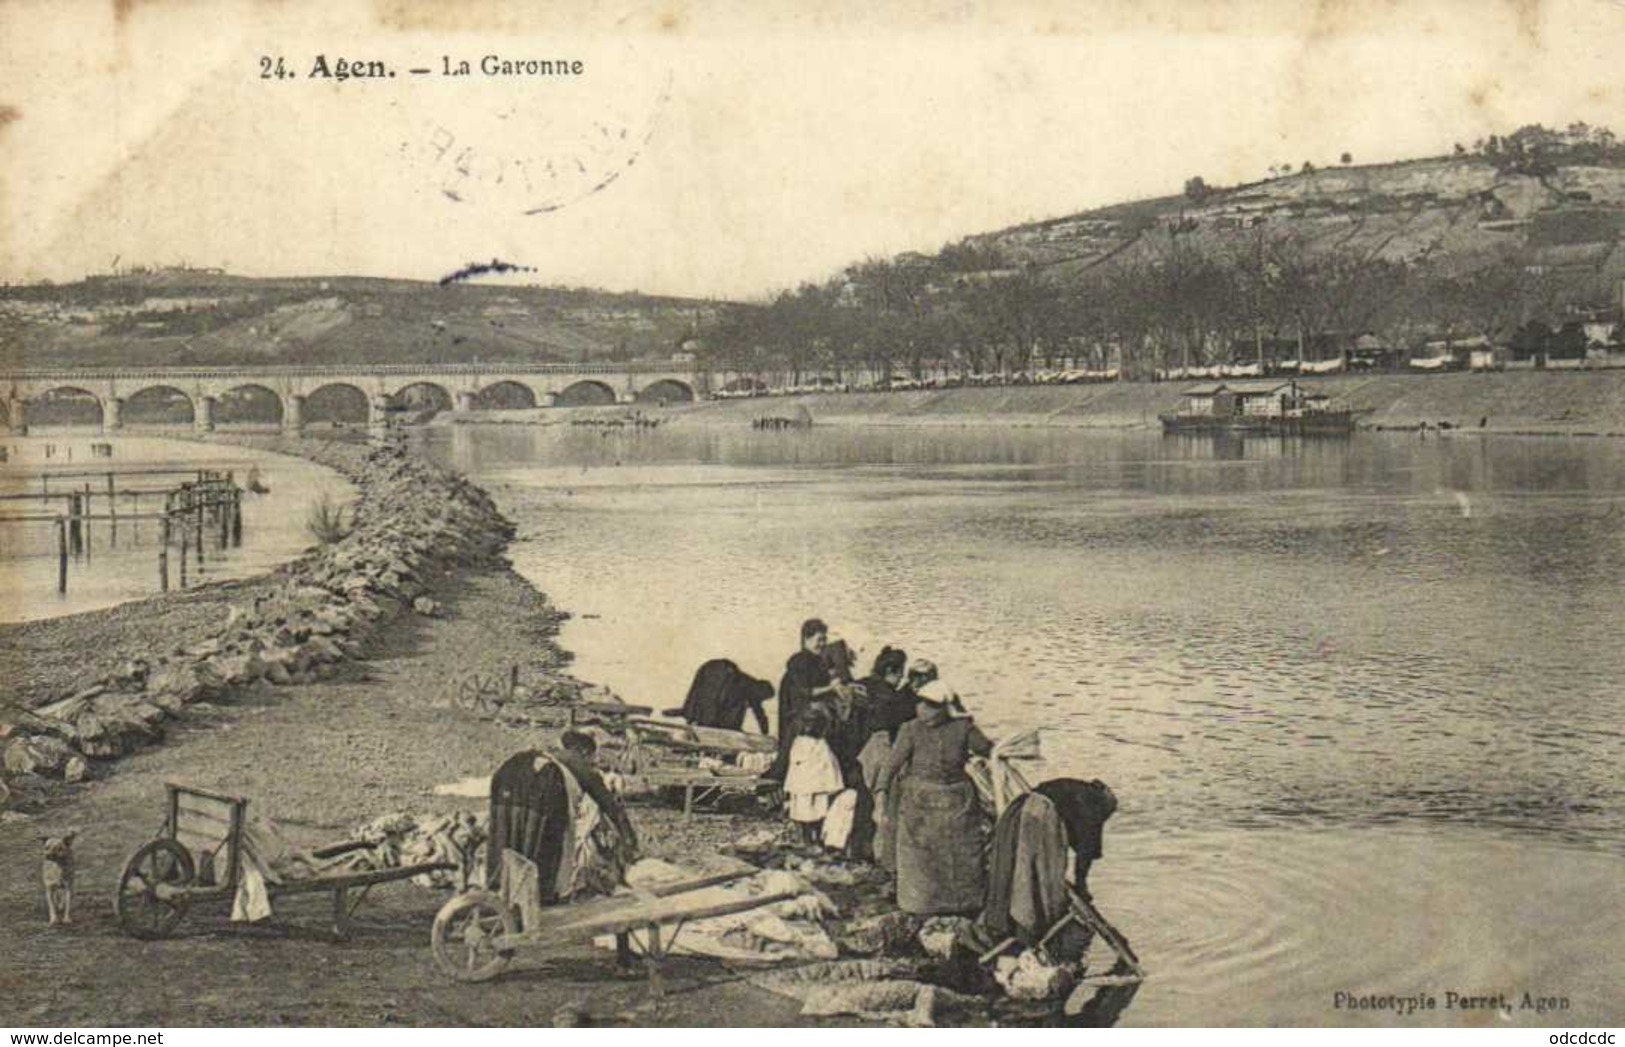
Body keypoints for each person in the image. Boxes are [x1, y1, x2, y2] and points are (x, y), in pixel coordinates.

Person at [873, 679, 994, 915]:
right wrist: (880, 796)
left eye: (933, 706)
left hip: (956, 801)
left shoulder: (963, 728)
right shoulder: (911, 729)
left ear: (945, 708)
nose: (925, 710)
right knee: (921, 854)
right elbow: (891, 766)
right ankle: (923, 904)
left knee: (961, 851)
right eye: (922, 704)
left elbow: (988, 750)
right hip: (923, 803)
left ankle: (963, 903)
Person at [486, 730, 639, 904]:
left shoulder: (548, 754)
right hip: (541, 785)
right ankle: (542, 900)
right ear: (583, 752)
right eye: (591, 757)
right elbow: (610, 805)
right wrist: (629, 840)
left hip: (507, 775)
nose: (593, 762)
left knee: (507, 838)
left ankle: (500, 897)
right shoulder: (578, 763)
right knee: (546, 848)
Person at [765, 618, 847, 782]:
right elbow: (804, 692)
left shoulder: (818, 662)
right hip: (800, 720)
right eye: (819, 639)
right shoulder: (799, 661)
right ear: (806, 639)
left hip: (816, 719)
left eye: (824, 639)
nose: (822, 644)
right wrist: (831, 688)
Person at [784, 703, 844, 845]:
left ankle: (811, 840)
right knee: (810, 814)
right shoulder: (815, 744)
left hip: (809, 786)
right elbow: (829, 765)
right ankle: (810, 840)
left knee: (811, 813)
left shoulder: (803, 743)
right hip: (812, 785)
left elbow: (828, 764)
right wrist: (833, 784)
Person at [679, 658, 774, 734]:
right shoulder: (749, 686)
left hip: (713, 675)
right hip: (718, 679)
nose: (761, 700)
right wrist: (764, 731)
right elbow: (758, 713)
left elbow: (759, 713)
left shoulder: (748, 684)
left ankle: (695, 718)